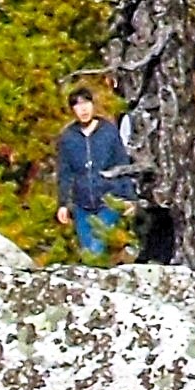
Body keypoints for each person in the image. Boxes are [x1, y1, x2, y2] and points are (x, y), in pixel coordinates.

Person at [53, 88, 131, 263]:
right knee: (88, 251)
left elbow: (122, 164)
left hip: (108, 199)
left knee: (96, 248)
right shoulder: (68, 137)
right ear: (72, 110)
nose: (83, 109)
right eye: (77, 105)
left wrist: (128, 197)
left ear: (93, 105)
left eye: (86, 103)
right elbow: (64, 173)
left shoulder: (108, 132)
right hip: (81, 204)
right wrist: (63, 204)